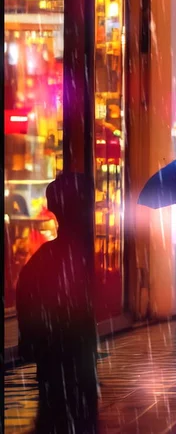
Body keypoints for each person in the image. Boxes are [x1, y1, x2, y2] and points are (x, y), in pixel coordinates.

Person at [16, 173, 98, 433]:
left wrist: (31, 339)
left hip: (54, 356)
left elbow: (27, 301)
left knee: (54, 413)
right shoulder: (74, 257)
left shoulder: (45, 258)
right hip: (72, 356)